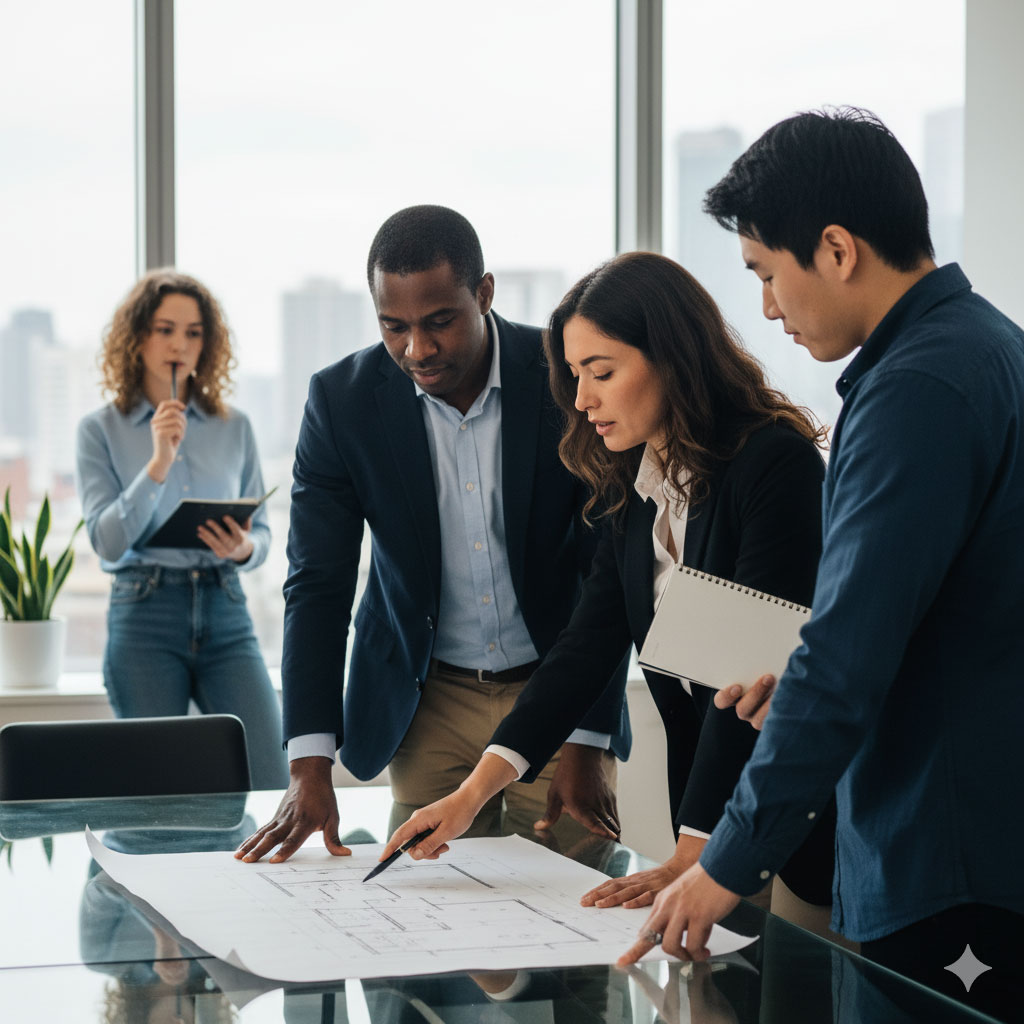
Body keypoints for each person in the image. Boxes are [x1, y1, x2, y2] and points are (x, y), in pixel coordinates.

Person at [615, 107, 1024, 1021]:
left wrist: (726, 859)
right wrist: (797, 679)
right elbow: (940, 618)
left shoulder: (915, 387)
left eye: (767, 273)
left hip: (945, 862)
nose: (766, 307)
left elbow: (848, 655)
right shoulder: (987, 348)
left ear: (836, 249)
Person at [380, 251, 838, 936]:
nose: (583, 398)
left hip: (790, 813)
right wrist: (472, 794)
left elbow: (744, 678)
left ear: (674, 358)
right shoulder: (637, 485)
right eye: (574, 376)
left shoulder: (772, 465)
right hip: (709, 816)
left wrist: (693, 849)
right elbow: (584, 649)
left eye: (602, 372)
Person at [236, 205, 629, 865]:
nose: (417, 349)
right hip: (429, 698)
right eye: (395, 327)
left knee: (572, 922)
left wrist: (589, 737)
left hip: (559, 685)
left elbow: (606, 570)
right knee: (429, 926)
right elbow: (318, 583)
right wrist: (309, 763)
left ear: (483, 293)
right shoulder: (343, 402)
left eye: (439, 321)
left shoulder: (564, 376)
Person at [75, 269, 288, 790]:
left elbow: (261, 533)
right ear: (138, 337)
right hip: (144, 612)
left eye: (193, 333)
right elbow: (106, 541)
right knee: (156, 790)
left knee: (269, 772)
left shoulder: (234, 425)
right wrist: (157, 465)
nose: (179, 344)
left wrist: (242, 549)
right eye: (165, 329)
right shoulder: (99, 429)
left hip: (225, 607)